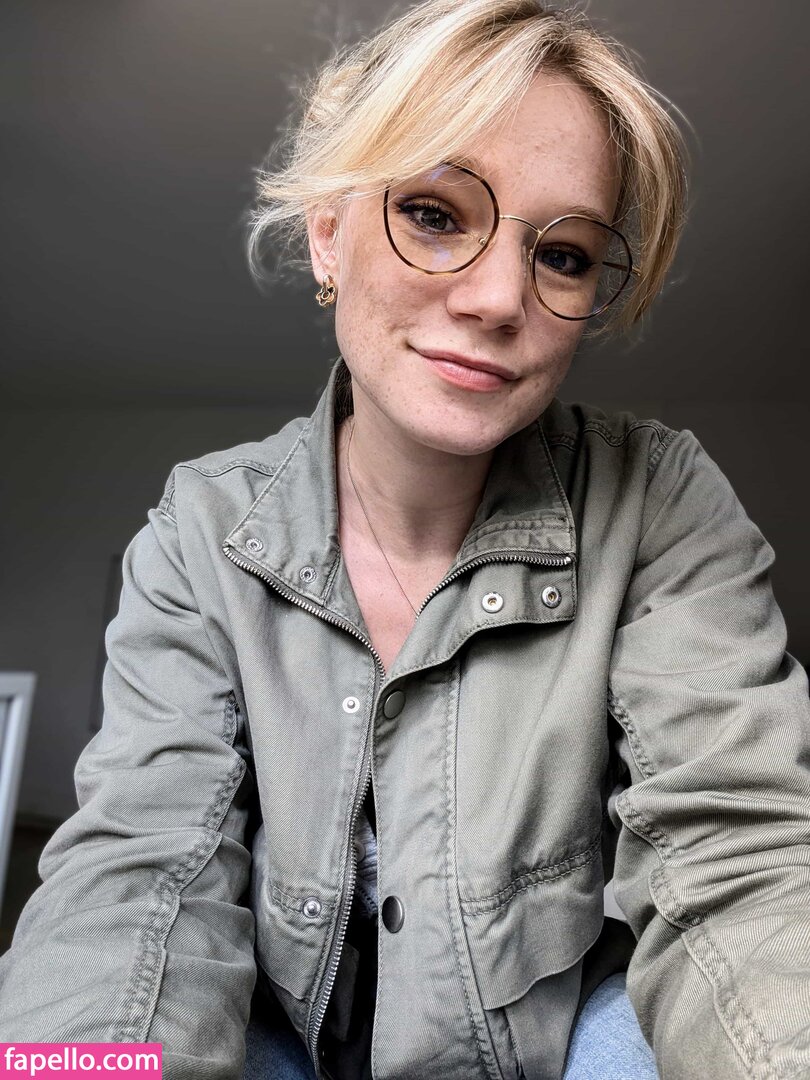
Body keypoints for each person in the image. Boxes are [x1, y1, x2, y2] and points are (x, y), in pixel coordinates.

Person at [2, 1, 809, 1078]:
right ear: (328, 232)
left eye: (565, 255)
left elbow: (739, 860)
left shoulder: (659, 500)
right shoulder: (203, 527)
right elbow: (141, 879)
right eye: (434, 212)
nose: (500, 298)